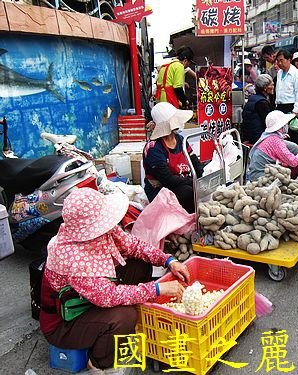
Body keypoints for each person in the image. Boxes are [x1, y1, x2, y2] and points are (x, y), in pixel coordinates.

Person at [39, 188, 190, 370]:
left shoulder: (103, 232)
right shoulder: (73, 258)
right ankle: (98, 362)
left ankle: (124, 322)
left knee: (138, 264)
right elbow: (108, 296)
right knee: (125, 316)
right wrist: (157, 289)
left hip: (91, 297)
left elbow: (134, 246)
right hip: (65, 324)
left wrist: (168, 260)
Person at [143, 102, 204, 213]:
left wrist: (203, 175)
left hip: (181, 182)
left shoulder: (180, 139)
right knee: (188, 192)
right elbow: (168, 180)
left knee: (198, 190)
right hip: (160, 190)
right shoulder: (154, 148)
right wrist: (193, 181)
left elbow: (193, 160)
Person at [248, 110, 298, 187]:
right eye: (285, 124)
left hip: (256, 176)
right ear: (281, 126)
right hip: (263, 180)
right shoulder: (275, 141)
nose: (287, 125)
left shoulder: (267, 136)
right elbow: (293, 161)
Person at [274, 49, 298, 145]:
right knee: (282, 135)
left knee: (293, 133)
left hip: (291, 107)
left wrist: (296, 110)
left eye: (281, 60)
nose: (279, 63)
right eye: (278, 61)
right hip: (280, 106)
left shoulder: (296, 74)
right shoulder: (279, 73)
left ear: (289, 60)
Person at [241, 74, 275, 145]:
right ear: (265, 87)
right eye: (271, 85)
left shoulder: (253, 98)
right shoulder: (262, 102)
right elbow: (268, 123)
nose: (273, 87)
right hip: (258, 136)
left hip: (249, 135)